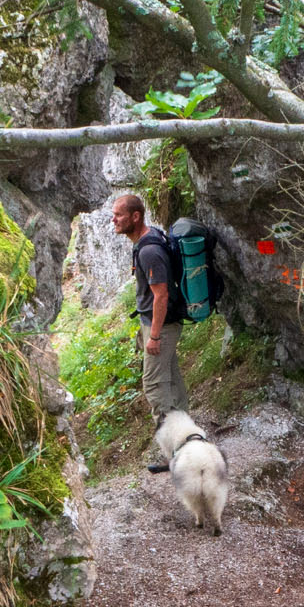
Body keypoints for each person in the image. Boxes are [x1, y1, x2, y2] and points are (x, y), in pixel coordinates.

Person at [112, 192, 189, 471]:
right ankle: (187, 443)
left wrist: (154, 336)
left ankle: (174, 454)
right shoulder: (150, 239)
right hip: (162, 325)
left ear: (136, 216)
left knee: (155, 386)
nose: (114, 220)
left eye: (119, 215)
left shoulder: (148, 250)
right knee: (171, 381)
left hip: (162, 328)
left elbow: (161, 296)